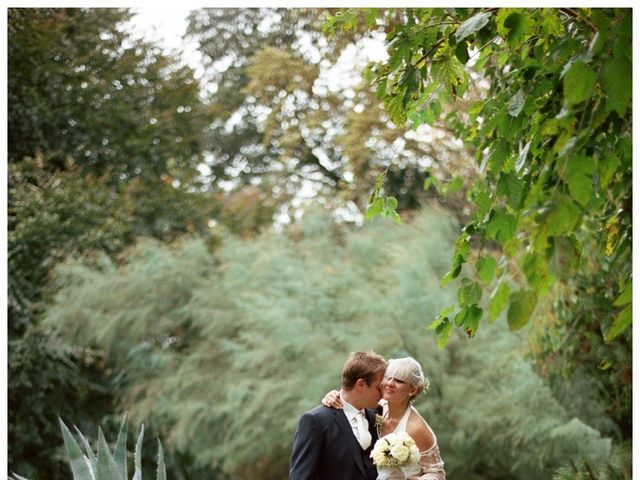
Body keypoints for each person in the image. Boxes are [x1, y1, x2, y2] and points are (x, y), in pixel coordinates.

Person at [322, 357, 445, 480]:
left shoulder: (417, 428)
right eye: (388, 377)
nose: (390, 383)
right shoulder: (376, 407)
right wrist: (335, 395)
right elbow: (353, 398)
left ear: (413, 390)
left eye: (399, 381)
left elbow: (437, 474)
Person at [289, 351, 387, 480]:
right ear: (361, 385)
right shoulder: (316, 421)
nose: (384, 394)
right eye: (379, 388)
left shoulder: (379, 414)